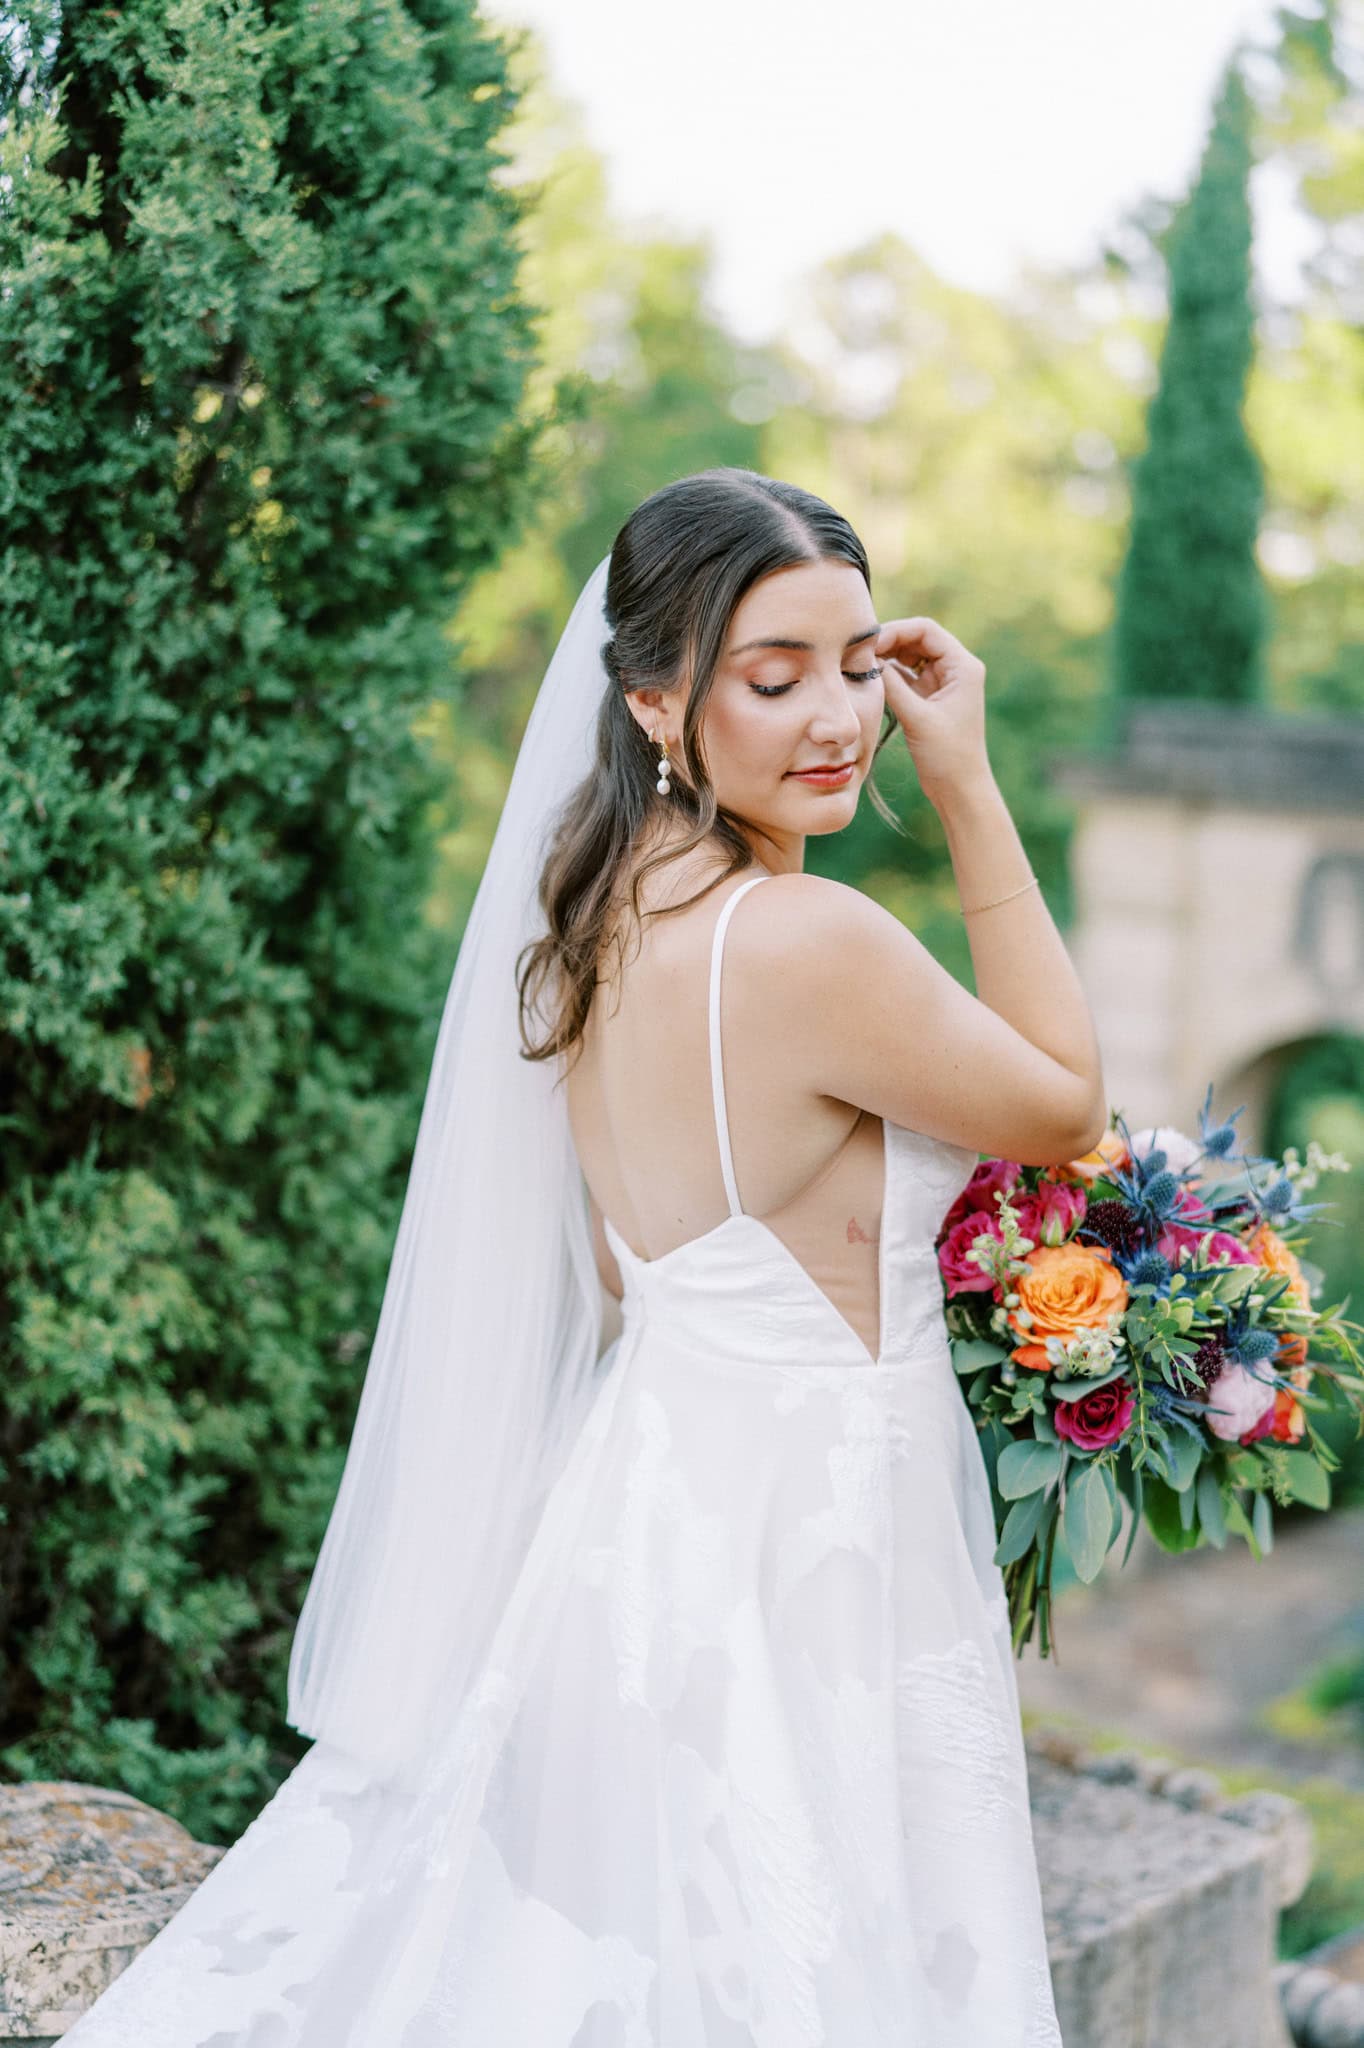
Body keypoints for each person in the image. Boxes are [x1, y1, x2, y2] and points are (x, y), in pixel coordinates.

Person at [60, 468, 1101, 2044]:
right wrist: (967, 786)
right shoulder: (807, 944)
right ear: (656, 702)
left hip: (652, 1517)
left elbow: (627, 1274)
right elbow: (1069, 1106)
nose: (840, 719)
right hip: (816, 1545)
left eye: (859, 667)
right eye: (775, 678)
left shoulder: (605, 908)